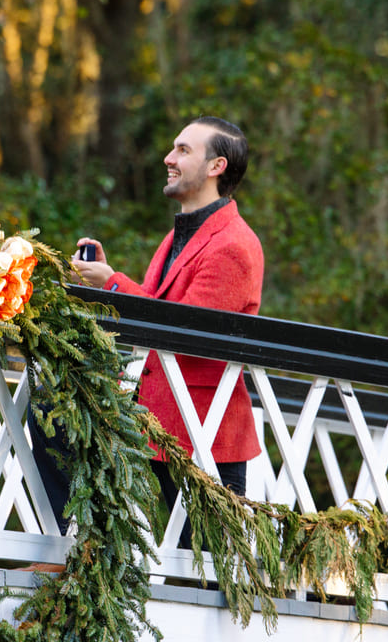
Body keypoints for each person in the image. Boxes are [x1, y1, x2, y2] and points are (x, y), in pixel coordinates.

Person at [72, 116, 264, 509]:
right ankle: (60, 547)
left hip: (202, 441)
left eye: (183, 150)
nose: (168, 158)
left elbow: (185, 331)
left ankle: (60, 548)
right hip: (160, 428)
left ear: (216, 166)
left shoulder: (233, 246)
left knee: (201, 570)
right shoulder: (180, 233)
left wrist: (113, 285)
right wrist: (108, 286)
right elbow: (162, 308)